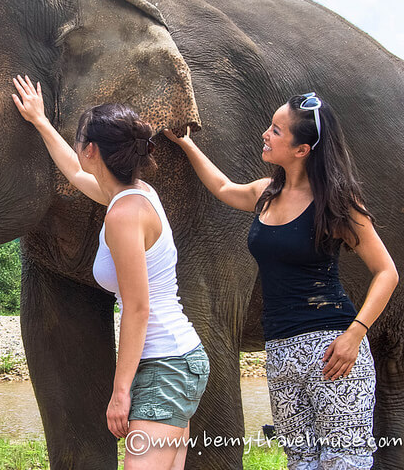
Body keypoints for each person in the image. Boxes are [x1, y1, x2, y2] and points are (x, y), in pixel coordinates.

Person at [164, 93, 398, 468]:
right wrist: (186, 143)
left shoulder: (337, 202)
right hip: (280, 352)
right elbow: (223, 188)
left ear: (302, 149)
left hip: (332, 351)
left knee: (345, 461)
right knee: (300, 460)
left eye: (276, 131)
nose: (265, 135)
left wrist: (354, 335)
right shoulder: (265, 193)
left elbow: (387, 272)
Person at [12, 75, 209, 469]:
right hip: (175, 358)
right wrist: (40, 121)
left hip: (165, 363)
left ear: (91, 150)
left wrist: (121, 392)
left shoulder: (123, 214)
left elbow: (137, 308)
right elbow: (74, 173)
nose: (77, 150)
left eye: (79, 141)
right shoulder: (135, 194)